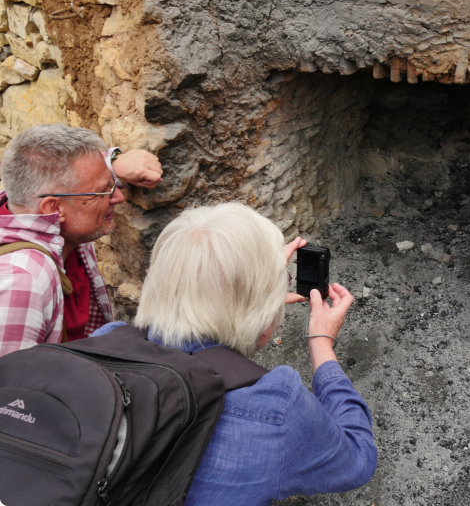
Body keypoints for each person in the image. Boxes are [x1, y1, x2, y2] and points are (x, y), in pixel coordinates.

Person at [94, 203, 377, 504]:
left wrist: (250, 292)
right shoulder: (276, 409)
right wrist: (321, 341)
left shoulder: (106, 339)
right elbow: (358, 458)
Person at [0, 124, 163, 356]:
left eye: (112, 184)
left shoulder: (39, 211)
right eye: (105, 190)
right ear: (54, 209)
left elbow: (79, 178)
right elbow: (12, 377)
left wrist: (115, 162)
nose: (118, 197)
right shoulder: (21, 281)